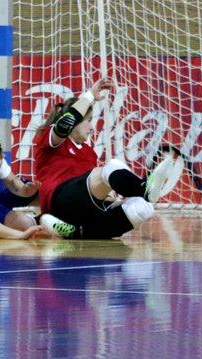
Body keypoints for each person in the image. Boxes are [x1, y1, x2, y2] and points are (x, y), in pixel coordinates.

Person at [33, 77, 182, 239]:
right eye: (88, 121)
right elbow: (66, 122)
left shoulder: (89, 153)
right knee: (113, 165)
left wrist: (112, 198)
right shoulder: (52, 138)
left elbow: (93, 186)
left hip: (81, 210)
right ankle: (144, 188)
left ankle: (77, 232)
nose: (92, 127)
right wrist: (90, 95)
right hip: (59, 202)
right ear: (75, 123)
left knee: (143, 207)